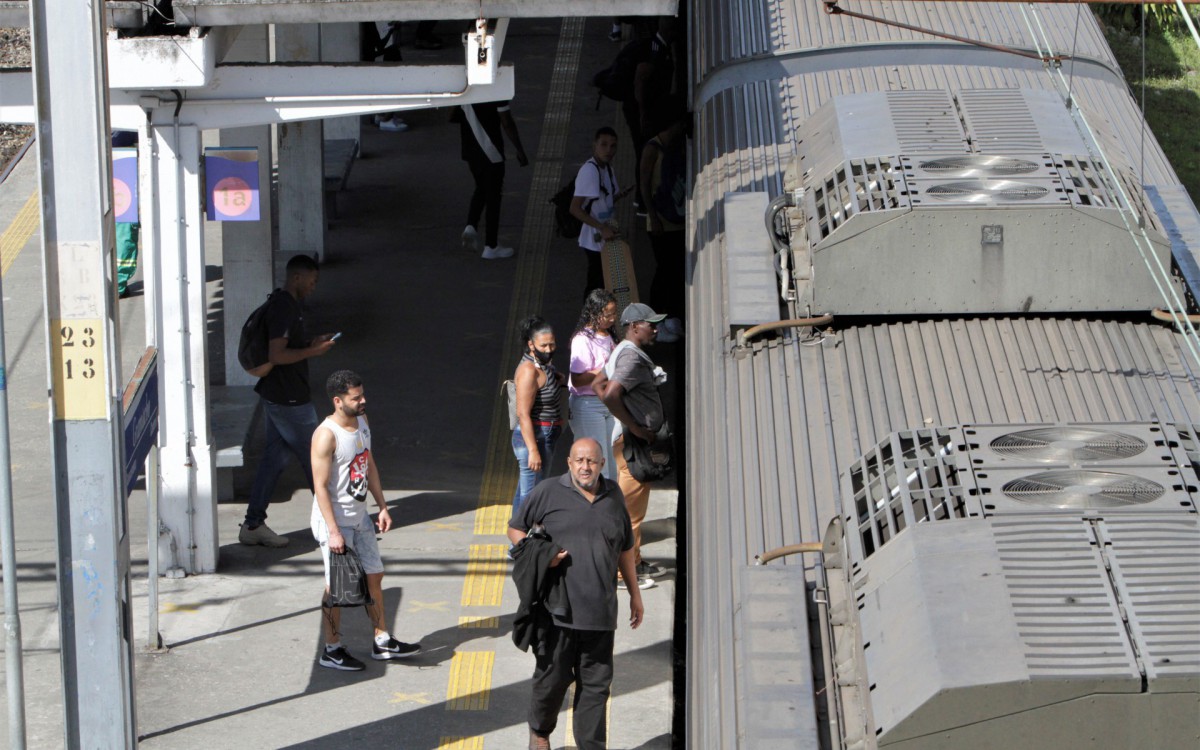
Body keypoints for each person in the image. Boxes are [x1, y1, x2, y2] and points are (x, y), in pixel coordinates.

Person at [508, 438, 644, 750]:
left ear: (601, 465)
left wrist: (635, 594)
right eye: (579, 461)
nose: (585, 467)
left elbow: (625, 548)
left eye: (592, 462)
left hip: (600, 614)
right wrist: (541, 554)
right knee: (551, 680)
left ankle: (591, 746)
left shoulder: (613, 496)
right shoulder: (548, 492)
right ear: (569, 462)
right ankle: (540, 732)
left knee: (596, 688)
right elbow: (516, 529)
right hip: (557, 613)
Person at [311, 370, 421, 671]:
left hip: (359, 518)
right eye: (355, 397)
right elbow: (320, 486)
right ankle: (331, 649)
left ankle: (382, 640)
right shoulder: (326, 435)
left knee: (374, 575)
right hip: (335, 523)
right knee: (337, 587)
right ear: (338, 401)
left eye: (362, 394)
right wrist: (333, 532)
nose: (363, 400)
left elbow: (368, 463)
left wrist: (382, 506)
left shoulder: (362, 422)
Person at [239, 254, 337, 547]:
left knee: (274, 460)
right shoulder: (285, 308)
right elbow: (277, 355)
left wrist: (310, 343)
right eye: (312, 280)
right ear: (297, 277)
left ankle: (253, 524)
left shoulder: (286, 304)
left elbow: (286, 347)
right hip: (288, 398)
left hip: (278, 393)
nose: (313, 287)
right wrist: (313, 353)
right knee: (317, 458)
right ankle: (336, 525)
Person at [600, 303, 670, 589]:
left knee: (635, 510)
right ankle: (621, 573)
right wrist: (636, 428)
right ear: (633, 326)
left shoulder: (623, 352)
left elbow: (600, 383)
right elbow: (610, 395)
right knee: (630, 513)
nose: (655, 328)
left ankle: (635, 561)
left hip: (632, 443)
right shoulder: (629, 358)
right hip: (633, 445)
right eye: (650, 324)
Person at [455, 100, 529, 260]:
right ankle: (491, 245)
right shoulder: (496, 91)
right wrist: (519, 149)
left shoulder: (465, 89)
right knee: (494, 198)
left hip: (469, 151)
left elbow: (454, 116)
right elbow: (507, 122)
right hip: (491, 151)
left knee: (481, 186)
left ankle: (471, 225)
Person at [638, 113, 689, 338]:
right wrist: (653, 216)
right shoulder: (653, 148)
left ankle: (672, 318)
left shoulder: (678, 145)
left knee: (674, 271)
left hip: (677, 220)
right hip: (660, 222)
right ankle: (656, 320)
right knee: (663, 272)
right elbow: (644, 184)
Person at [569, 127, 631, 296]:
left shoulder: (607, 169)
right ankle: (589, 319)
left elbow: (600, 201)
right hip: (594, 238)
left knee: (603, 282)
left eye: (613, 146)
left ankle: (598, 319)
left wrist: (618, 196)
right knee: (596, 284)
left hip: (606, 235)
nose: (608, 150)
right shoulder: (590, 171)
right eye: (603, 145)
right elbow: (575, 208)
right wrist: (601, 228)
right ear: (594, 145)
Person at [512, 316, 563, 516]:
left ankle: (517, 544)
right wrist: (533, 451)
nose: (549, 349)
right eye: (544, 345)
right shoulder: (528, 370)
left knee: (526, 492)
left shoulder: (544, 364)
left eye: (552, 344)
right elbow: (523, 414)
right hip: (535, 436)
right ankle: (522, 544)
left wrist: (557, 379)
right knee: (532, 495)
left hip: (545, 434)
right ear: (530, 344)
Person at [568, 290, 620, 480]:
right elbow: (577, 379)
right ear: (594, 313)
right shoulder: (582, 339)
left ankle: (609, 501)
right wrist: (605, 371)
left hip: (609, 402)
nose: (613, 319)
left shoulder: (608, 335)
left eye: (615, 313)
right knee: (595, 461)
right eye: (608, 315)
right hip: (588, 405)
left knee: (611, 459)